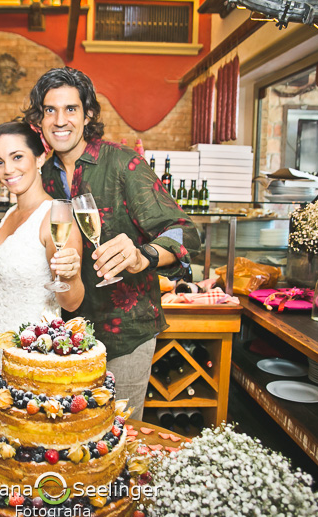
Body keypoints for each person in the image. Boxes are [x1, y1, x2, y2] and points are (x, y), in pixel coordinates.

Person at [24, 67, 201, 420]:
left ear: (87, 114)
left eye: (70, 109)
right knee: (78, 440)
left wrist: (144, 256)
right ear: (39, 121)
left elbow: (186, 232)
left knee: (120, 437)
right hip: (68, 339)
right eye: (50, 110)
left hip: (125, 333)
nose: (60, 120)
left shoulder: (123, 163)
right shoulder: (43, 177)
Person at [0, 121, 84, 372]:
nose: (7, 169)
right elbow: (6, 287)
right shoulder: (9, 214)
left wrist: (69, 274)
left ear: (40, 158)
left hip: (37, 357)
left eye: (17, 157)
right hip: (1, 350)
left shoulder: (56, 217)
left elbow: (72, 303)